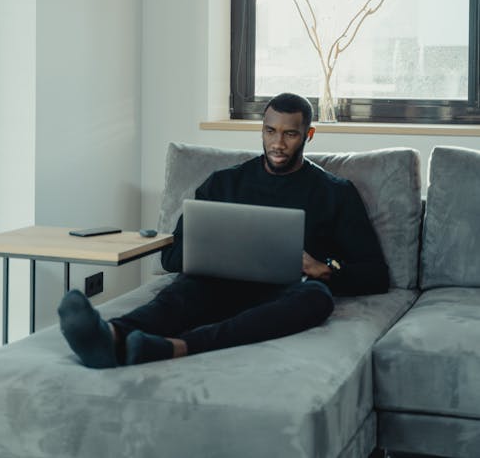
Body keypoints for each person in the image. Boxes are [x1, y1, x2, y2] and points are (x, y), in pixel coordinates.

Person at [58, 92, 389, 368]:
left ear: (309, 135)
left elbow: (376, 274)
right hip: (218, 284)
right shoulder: (224, 183)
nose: (277, 143)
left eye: (290, 134)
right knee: (183, 290)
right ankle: (110, 335)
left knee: (317, 298)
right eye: (270, 131)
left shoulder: (335, 192)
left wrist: (326, 270)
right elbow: (172, 257)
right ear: (261, 130)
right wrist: (205, 253)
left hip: (285, 292)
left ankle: (176, 347)